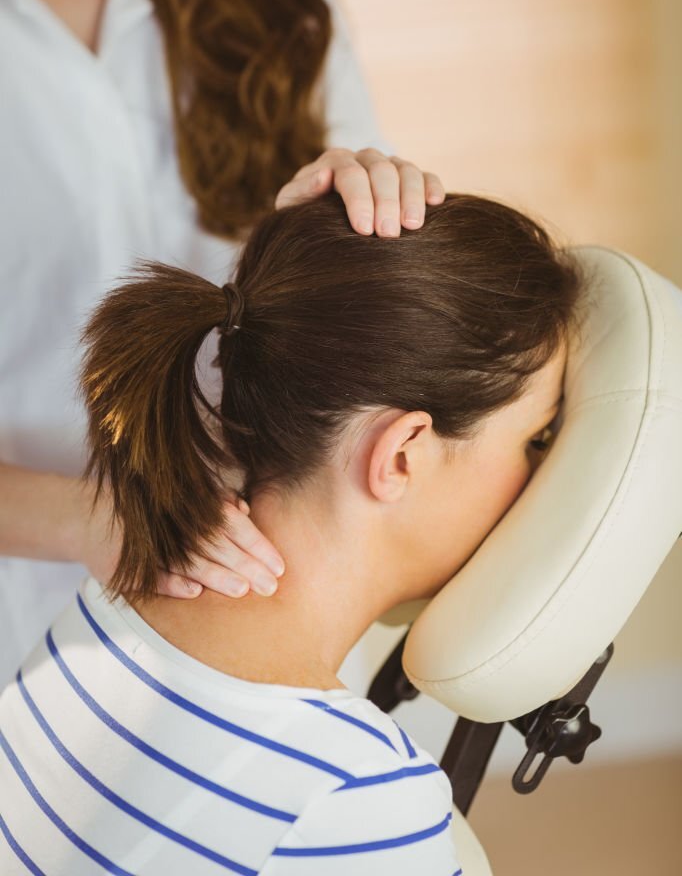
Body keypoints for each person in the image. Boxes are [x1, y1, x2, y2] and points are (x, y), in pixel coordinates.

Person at [0, 191, 582, 873]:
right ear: (401, 455)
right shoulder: (358, 796)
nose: (543, 476)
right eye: (535, 437)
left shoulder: (101, 612)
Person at [0, 0, 446, 689]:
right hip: (20, 644)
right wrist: (96, 518)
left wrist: (349, 214)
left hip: (264, 606)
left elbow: (364, 299)